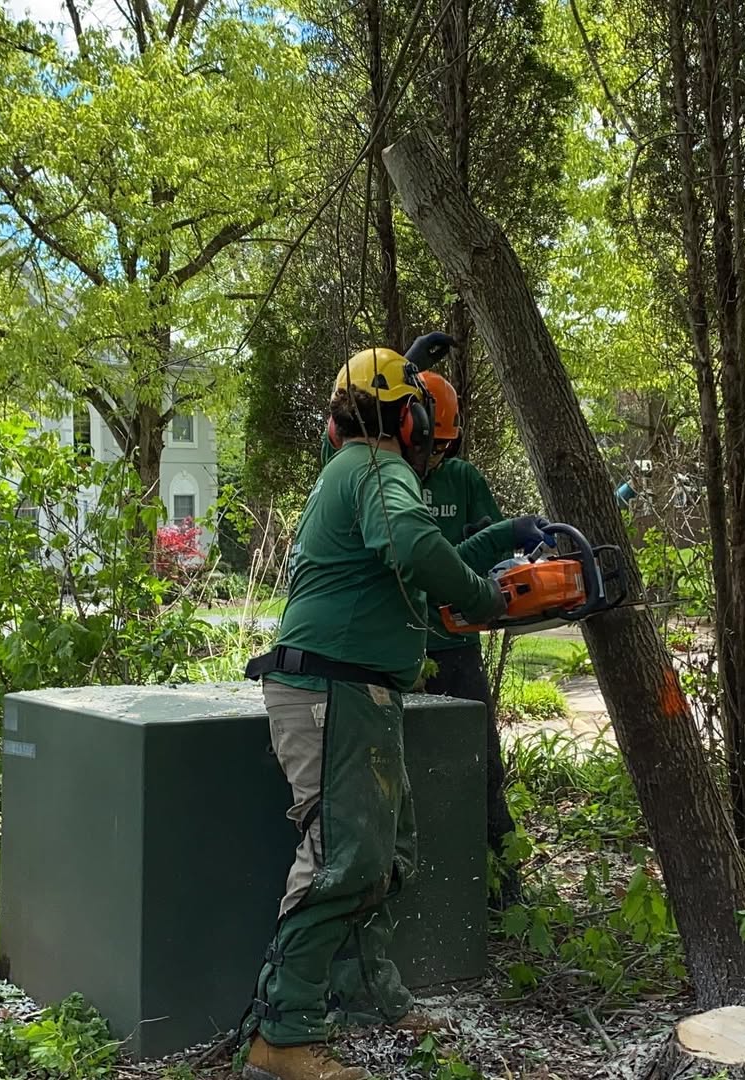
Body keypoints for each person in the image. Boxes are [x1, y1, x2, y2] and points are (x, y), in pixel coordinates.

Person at [241, 345, 550, 1080]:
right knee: (342, 862)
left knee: (382, 856)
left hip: (357, 691)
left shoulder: (357, 472)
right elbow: (415, 544)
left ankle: (367, 997)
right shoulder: (377, 469)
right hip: (334, 692)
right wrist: (485, 598)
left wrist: (507, 540)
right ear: (405, 417)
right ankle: (282, 1036)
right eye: (420, 413)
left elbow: (424, 549)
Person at [417, 372, 533, 907]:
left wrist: (510, 561)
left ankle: (504, 890)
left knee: (484, 766)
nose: (435, 454)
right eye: (429, 441)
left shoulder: (463, 479)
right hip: (400, 655)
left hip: (456, 647)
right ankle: (429, 892)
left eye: (444, 444)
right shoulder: (382, 478)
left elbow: (491, 554)